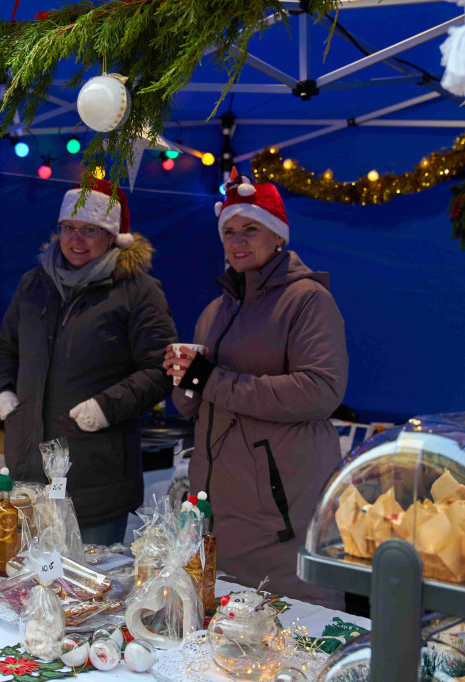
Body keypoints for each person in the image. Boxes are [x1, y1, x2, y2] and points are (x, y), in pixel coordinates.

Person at [164, 169, 348, 607]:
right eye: (229, 231)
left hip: (282, 513)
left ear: (278, 236)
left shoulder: (308, 300)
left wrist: (211, 379)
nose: (238, 241)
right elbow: (193, 405)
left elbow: (321, 389)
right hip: (218, 508)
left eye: (251, 229)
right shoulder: (215, 310)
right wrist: (184, 378)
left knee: (294, 633)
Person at [0, 178, 177, 545]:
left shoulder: (138, 292)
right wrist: (2, 392)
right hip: (27, 473)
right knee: (22, 589)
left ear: (112, 237)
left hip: (94, 483)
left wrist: (107, 406)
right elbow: (3, 350)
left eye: (90, 230)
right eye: (68, 228)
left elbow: (160, 368)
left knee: (84, 595)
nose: (76, 240)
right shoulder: (33, 285)